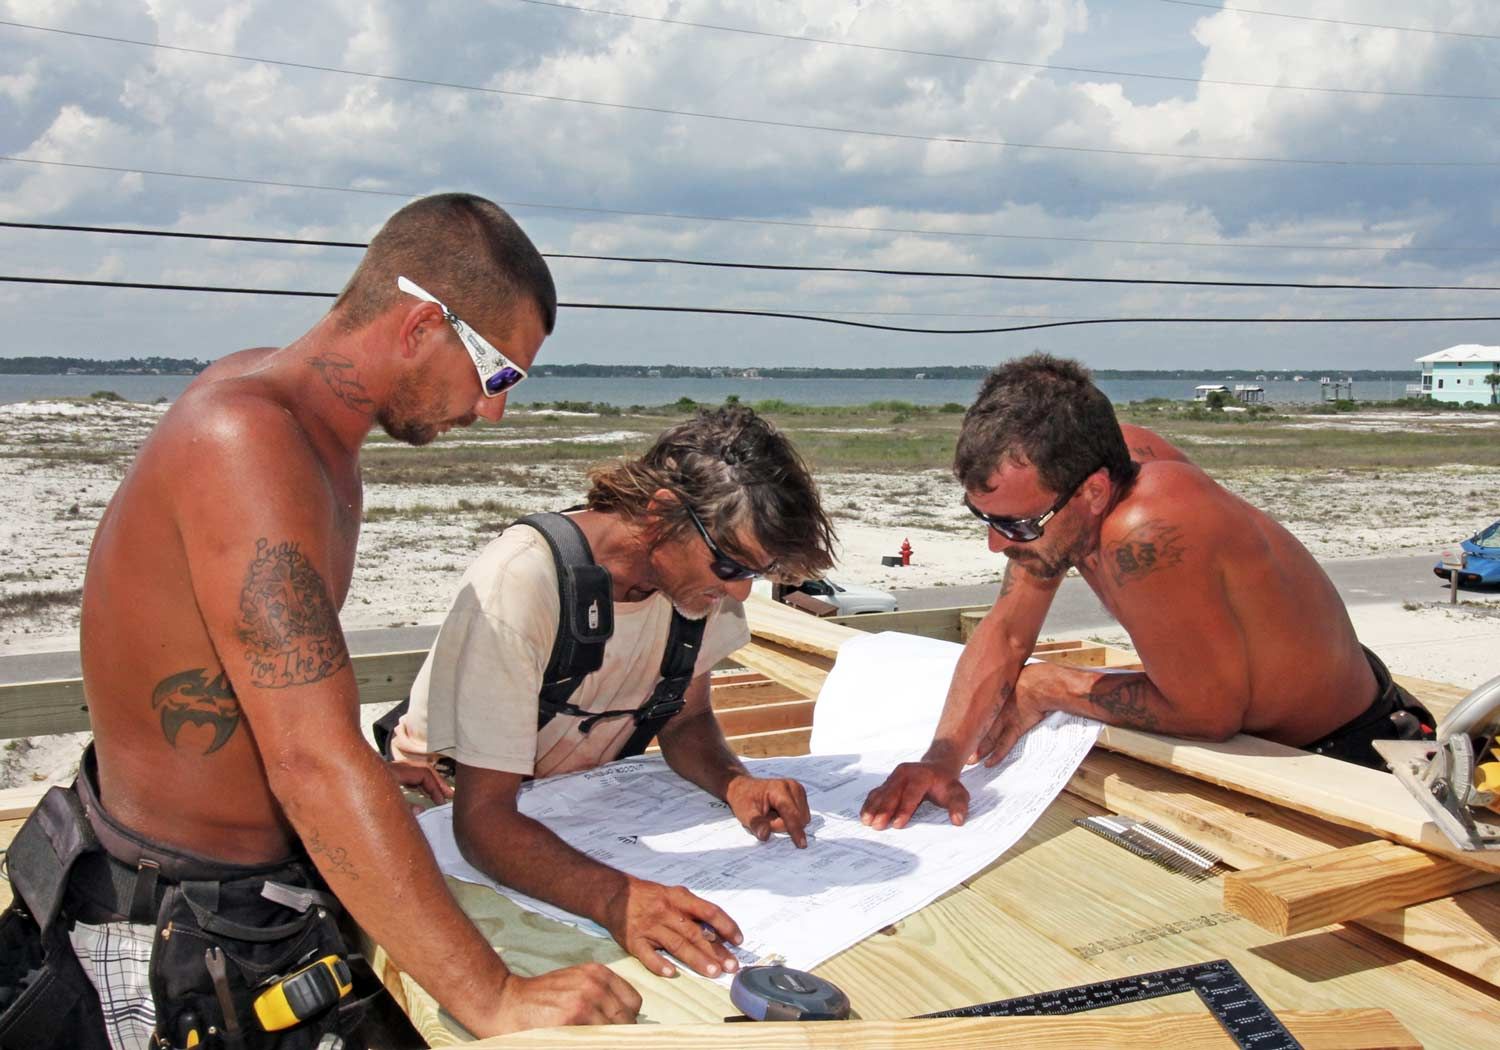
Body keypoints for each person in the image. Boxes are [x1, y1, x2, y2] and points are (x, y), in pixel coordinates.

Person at [3, 193, 642, 1050]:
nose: (495, 409)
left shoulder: (307, 429)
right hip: (180, 919)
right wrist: (493, 996)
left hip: (258, 890)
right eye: (497, 374)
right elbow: (309, 757)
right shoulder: (246, 441)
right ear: (421, 326)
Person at [861, 354, 1433, 831]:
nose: (995, 544)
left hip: (1346, 754)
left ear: (1093, 491)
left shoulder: (1149, 529)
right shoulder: (1080, 474)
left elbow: (1207, 714)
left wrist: (1049, 685)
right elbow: (1009, 631)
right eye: (985, 518)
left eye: (1016, 525)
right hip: (1269, 733)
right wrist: (942, 758)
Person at [389, 405, 837, 981]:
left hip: (574, 812)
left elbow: (685, 720)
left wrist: (734, 781)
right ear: (664, 514)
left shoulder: (692, 592)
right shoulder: (525, 579)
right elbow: (481, 822)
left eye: (758, 571)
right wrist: (618, 900)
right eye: (728, 564)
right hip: (449, 814)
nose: (739, 592)